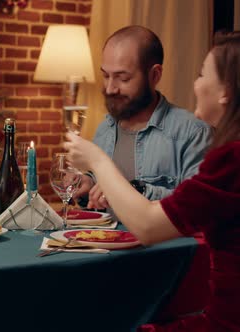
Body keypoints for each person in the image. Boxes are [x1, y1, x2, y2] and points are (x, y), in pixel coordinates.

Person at [64, 30, 240, 332]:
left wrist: (99, 162)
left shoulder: (229, 158)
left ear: (226, 91)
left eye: (201, 74)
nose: (195, 84)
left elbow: (150, 225)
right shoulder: (229, 154)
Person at [75, 25, 211, 210]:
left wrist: (134, 191)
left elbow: (200, 205)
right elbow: (102, 201)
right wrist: (89, 185)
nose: (110, 88)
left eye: (123, 79)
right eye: (106, 76)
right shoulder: (104, 129)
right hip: (109, 238)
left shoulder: (193, 132)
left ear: (154, 75)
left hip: (162, 240)